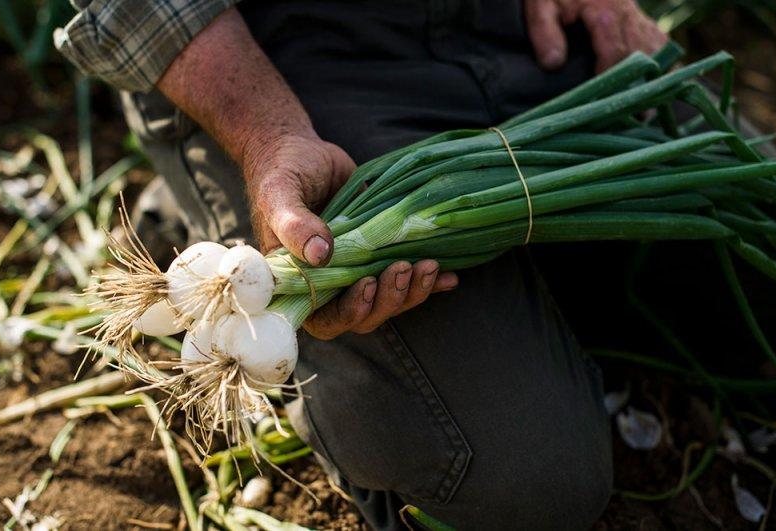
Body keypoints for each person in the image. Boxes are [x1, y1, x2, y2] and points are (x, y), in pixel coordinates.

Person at [56, 1, 667, 528]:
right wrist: (267, 134)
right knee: (526, 486)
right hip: (273, 58)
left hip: (514, 28)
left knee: (754, 267)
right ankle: (221, 184)